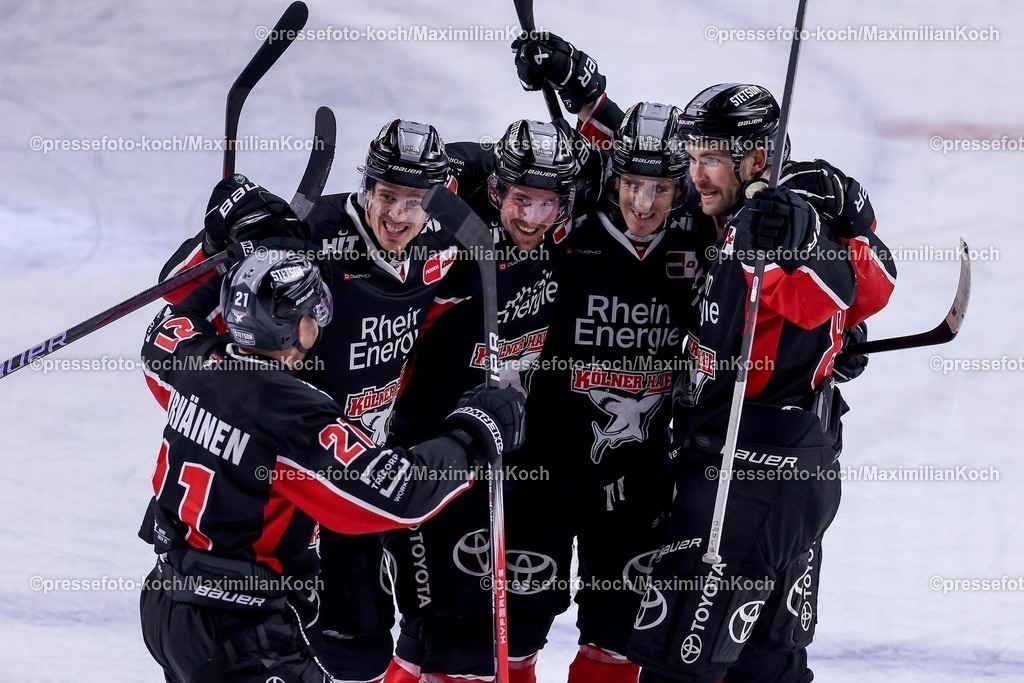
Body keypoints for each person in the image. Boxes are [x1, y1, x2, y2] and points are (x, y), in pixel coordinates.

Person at [157, 120, 483, 683]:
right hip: (302, 471)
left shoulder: (443, 241)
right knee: (327, 639)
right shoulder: (314, 238)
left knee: (360, 647)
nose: (399, 216)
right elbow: (398, 495)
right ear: (366, 186)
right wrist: (215, 244)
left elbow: (168, 328)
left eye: (415, 201)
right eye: (387, 196)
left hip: (346, 475)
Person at [138, 248, 525, 683]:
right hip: (237, 631)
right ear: (296, 327)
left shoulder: (193, 363)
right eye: (311, 313)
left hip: (166, 606)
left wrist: (237, 255)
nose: (318, 323)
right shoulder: (289, 411)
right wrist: (471, 435)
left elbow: (167, 328)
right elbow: (398, 494)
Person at [382, 119, 590, 682]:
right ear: (498, 189)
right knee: (438, 630)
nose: (531, 218)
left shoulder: (566, 233)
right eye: (521, 199)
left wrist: (585, 88)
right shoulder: (446, 249)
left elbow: (644, 166)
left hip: (510, 462)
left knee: (506, 629)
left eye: (547, 205)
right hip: (432, 457)